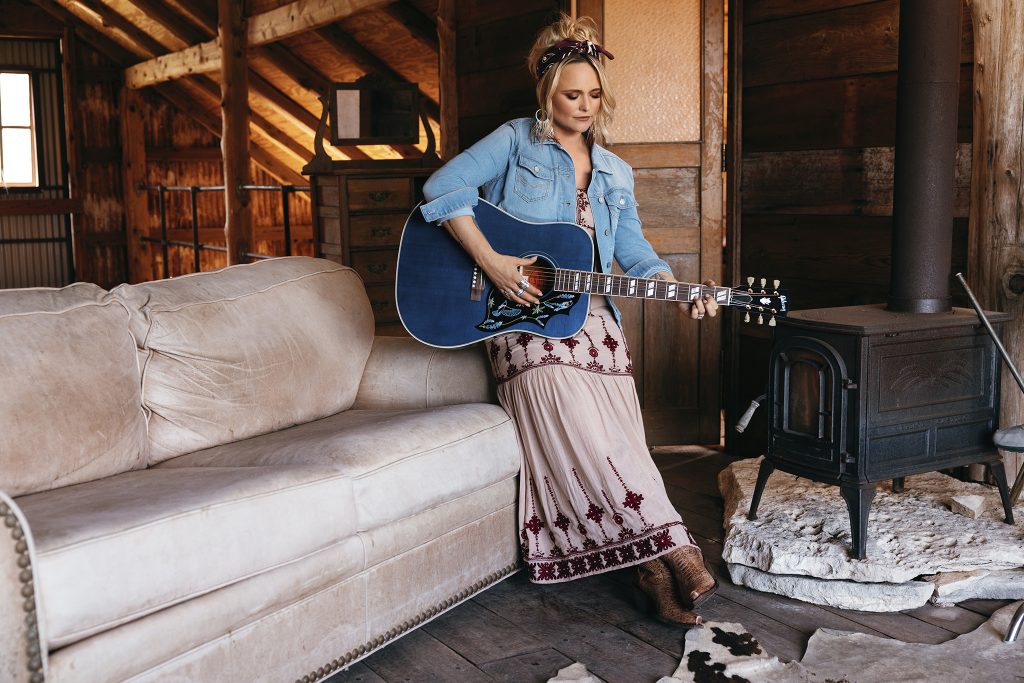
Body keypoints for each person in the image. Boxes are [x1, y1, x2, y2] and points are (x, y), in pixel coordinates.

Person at [418, 13, 719, 626]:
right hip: (517, 314)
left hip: (593, 314)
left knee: (616, 434)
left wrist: (674, 288)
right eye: (571, 95)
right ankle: (676, 547)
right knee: (570, 405)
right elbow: (439, 188)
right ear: (546, 93)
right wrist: (493, 261)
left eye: (593, 94)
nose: (584, 106)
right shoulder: (512, 141)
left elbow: (633, 252)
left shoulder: (615, 172)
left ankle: (649, 571)